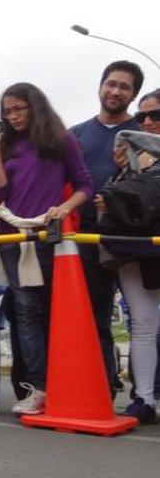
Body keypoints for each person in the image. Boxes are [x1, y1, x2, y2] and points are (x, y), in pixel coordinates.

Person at [0, 83, 92, 415]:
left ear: (35, 107)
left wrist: (63, 207)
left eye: (19, 109)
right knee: (26, 310)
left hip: (47, 236)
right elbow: (0, 193)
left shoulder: (61, 140)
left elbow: (86, 184)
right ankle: (39, 386)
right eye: (7, 111)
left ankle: (60, 382)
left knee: (49, 309)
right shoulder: (8, 145)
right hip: (12, 236)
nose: (13, 116)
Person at [70, 60, 144, 392]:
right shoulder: (76, 135)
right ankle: (101, 386)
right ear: (100, 86)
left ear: (134, 94)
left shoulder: (146, 132)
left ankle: (146, 397)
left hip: (135, 240)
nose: (115, 91)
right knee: (94, 316)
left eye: (124, 87)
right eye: (110, 84)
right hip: (87, 236)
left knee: (144, 322)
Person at [95, 89, 160, 423]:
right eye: (142, 116)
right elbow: (112, 200)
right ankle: (145, 399)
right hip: (137, 250)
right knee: (143, 326)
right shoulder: (127, 158)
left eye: (156, 115)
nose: (147, 122)